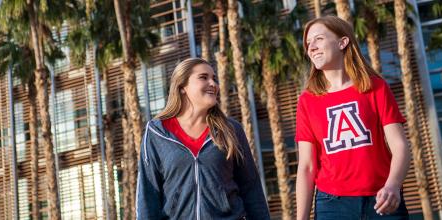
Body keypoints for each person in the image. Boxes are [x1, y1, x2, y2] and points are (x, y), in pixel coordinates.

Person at [295, 16, 411, 219]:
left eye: (319, 39)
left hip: (382, 201)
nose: (311, 47)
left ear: (342, 42)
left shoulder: (376, 88)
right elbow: (307, 166)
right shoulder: (307, 100)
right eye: (308, 43)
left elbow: (400, 146)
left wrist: (393, 185)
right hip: (333, 205)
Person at [136, 58, 270, 220]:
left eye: (214, 78)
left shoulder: (231, 130)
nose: (213, 83)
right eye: (203, 77)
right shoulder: (157, 133)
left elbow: (251, 190)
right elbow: (147, 195)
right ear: (182, 87)